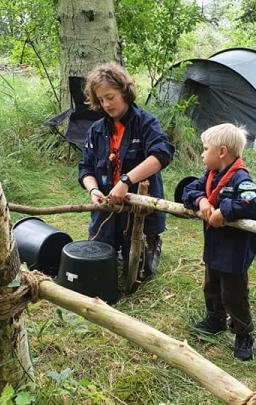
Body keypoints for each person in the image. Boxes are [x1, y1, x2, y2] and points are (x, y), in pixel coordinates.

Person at [78, 62, 175, 282]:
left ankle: (151, 246)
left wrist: (125, 181)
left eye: (110, 97)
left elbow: (161, 155)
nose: (106, 104)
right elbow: (86, 168)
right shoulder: (97, 130)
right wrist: (93, 189)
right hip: (107, 209)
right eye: (101, 99)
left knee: (142, 272)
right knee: (100, 263)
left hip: (139, 207)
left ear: (124, 90)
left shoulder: (145, 123)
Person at [182, 123, 256, 361]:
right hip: (214, 246)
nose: (201, 153)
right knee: (211, 286)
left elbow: (255, 206)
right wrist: (202, 202)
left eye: (205, 149)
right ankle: (215, 318)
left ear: (222, 152)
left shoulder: (241, 178)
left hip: (235, 252)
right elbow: (188, 190)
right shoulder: (210, 176)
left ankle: (243, 333)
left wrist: (225, 211)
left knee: (233, 294)